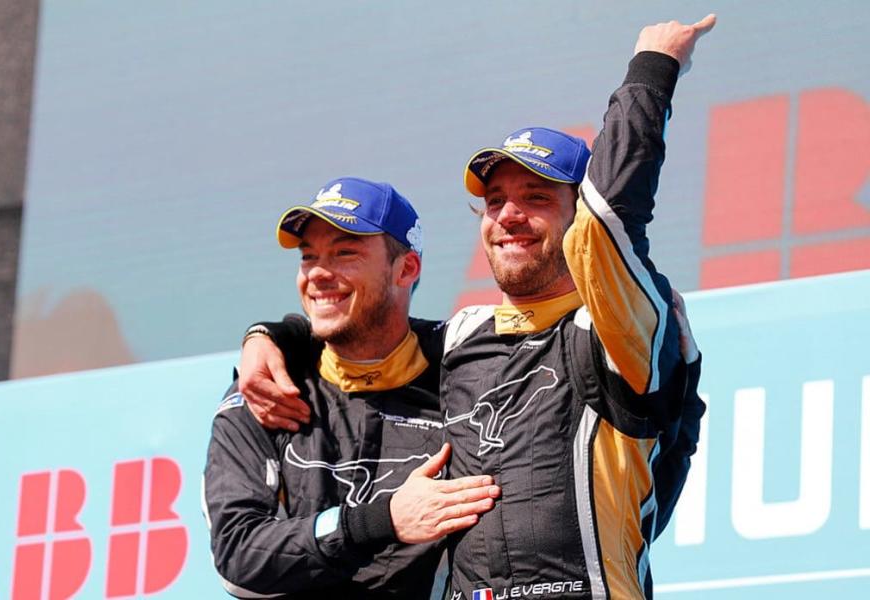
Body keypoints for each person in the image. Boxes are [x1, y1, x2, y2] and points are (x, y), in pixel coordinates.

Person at [240, 16, 715, 600]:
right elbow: (358, 324)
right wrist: (268, 336)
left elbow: (607, 227)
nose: (508, 215)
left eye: (537, 197)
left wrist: (651, 69)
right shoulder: (463, 338)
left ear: (576, 211)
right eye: (494, 201)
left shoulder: (619, 327)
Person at [202, 177, 501, 599]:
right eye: (308, 257)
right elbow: (239, 559)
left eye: (344, 253)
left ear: (407, 268)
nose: (319, 274)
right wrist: (384, 519)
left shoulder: (469, 372)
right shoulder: (265, 391)